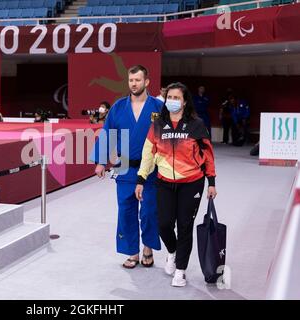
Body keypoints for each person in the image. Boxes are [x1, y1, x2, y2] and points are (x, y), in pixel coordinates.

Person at [135, 82, 217, 287]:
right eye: (169, 97)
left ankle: (181, 270)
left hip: (191, 183)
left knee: (185, 226)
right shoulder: (157, 125)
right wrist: (141, 178)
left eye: (177, 98)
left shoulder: (196, 125)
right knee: (163, 224)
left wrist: (211, 182)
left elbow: (208, 155)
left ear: (185, 101)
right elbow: (148, 154)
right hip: (164, 183)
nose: (172, 101)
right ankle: (172, 252)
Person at [91, 65, 163, 269]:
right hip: (124, 167)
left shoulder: (158, 107)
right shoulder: (119, 106)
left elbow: (167, 139)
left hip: (151, 170)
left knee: (150, 211)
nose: (134, 84)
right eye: (131, 80)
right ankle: (132, 252)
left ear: (146, 82)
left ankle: (148, 248)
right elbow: (107, 133)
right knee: (126, 211)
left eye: (138, 80)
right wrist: (100, 161)